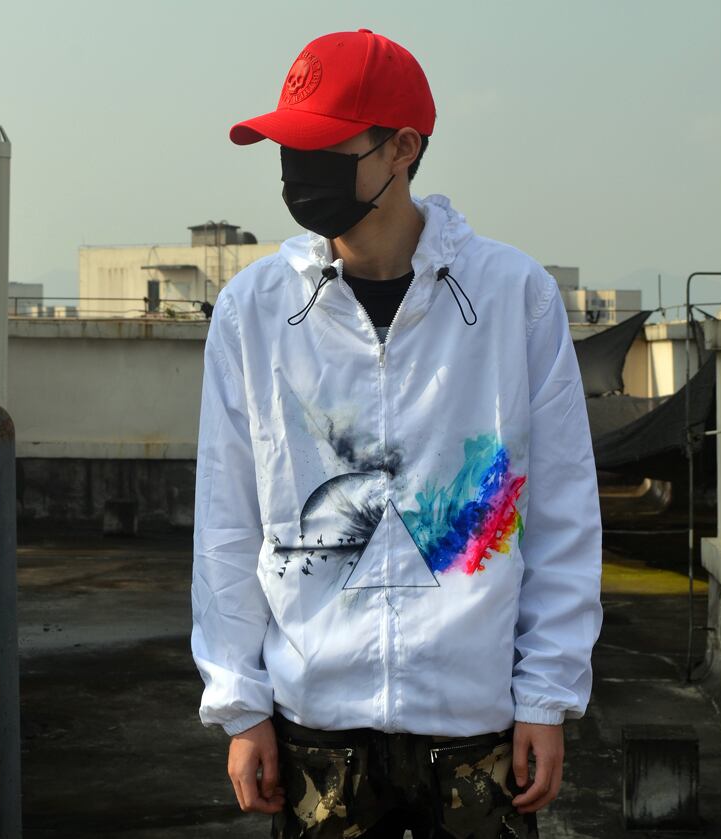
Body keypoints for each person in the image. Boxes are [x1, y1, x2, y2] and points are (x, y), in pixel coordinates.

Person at [191, 28, 603, 839]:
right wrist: (239, 703)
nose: (298, 170)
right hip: (315, 723)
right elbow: (227, 519)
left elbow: (561, 509)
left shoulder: (512, 297)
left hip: (475, 725)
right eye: (289, 148)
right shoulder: (254, 311)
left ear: (403, 148)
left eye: (322, 147)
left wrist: (546, 695)